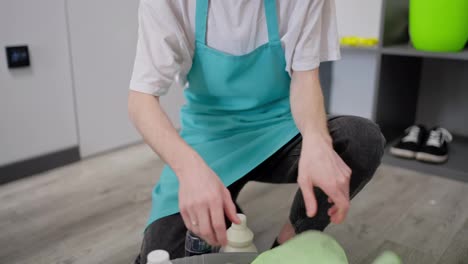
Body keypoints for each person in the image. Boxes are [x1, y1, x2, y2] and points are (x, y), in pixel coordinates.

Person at [128, 0, 385, 262]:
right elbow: (141, 100)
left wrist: (316, 138)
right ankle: (226, 209)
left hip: (281, 130)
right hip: (208, 140)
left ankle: (286, 247)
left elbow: (305, 78)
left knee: (361, 139)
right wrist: (190, 170)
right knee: (160, 256)